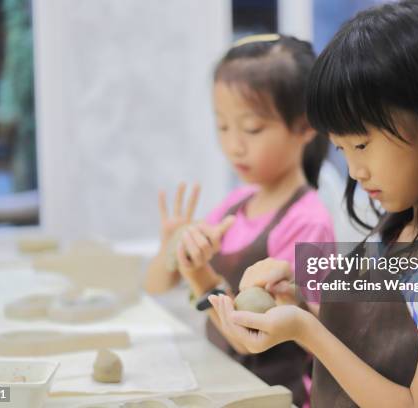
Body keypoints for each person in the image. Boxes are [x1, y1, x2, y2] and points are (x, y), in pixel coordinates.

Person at [208, 2, 418, 407]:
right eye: (342, 149)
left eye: (362, 144)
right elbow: (367, 343)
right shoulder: (399, 231)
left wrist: (308, 331)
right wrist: (295, 300)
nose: (356, 170)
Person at [144, 33, 335, 406]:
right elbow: (155, 286)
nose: (234, 145)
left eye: (251, 128)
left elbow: (248, 337)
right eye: (222, 126)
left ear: (305, 126)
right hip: (227, 388)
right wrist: (172, 247)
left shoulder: (309, 222)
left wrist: (201, 277)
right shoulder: (238, 203)